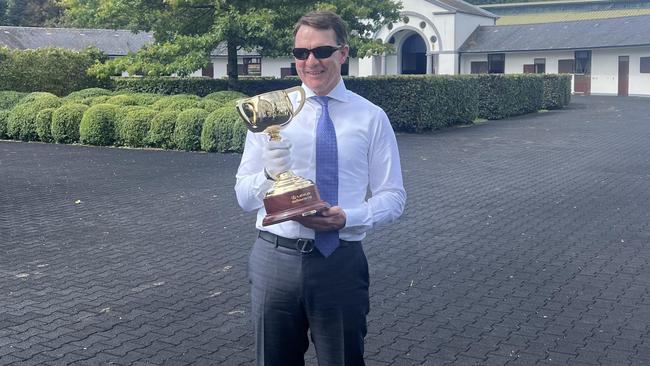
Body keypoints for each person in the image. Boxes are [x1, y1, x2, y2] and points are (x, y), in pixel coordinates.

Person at [234, 10, 406, 366]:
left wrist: (349, 218)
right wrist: (269, 173)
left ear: (343, 53)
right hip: (275, 260)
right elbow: (243, 197)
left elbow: (393, 196)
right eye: (301, 53)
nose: (311, 61)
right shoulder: (270, 113)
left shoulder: (371, 117)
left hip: (340, 262)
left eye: (322, 51)